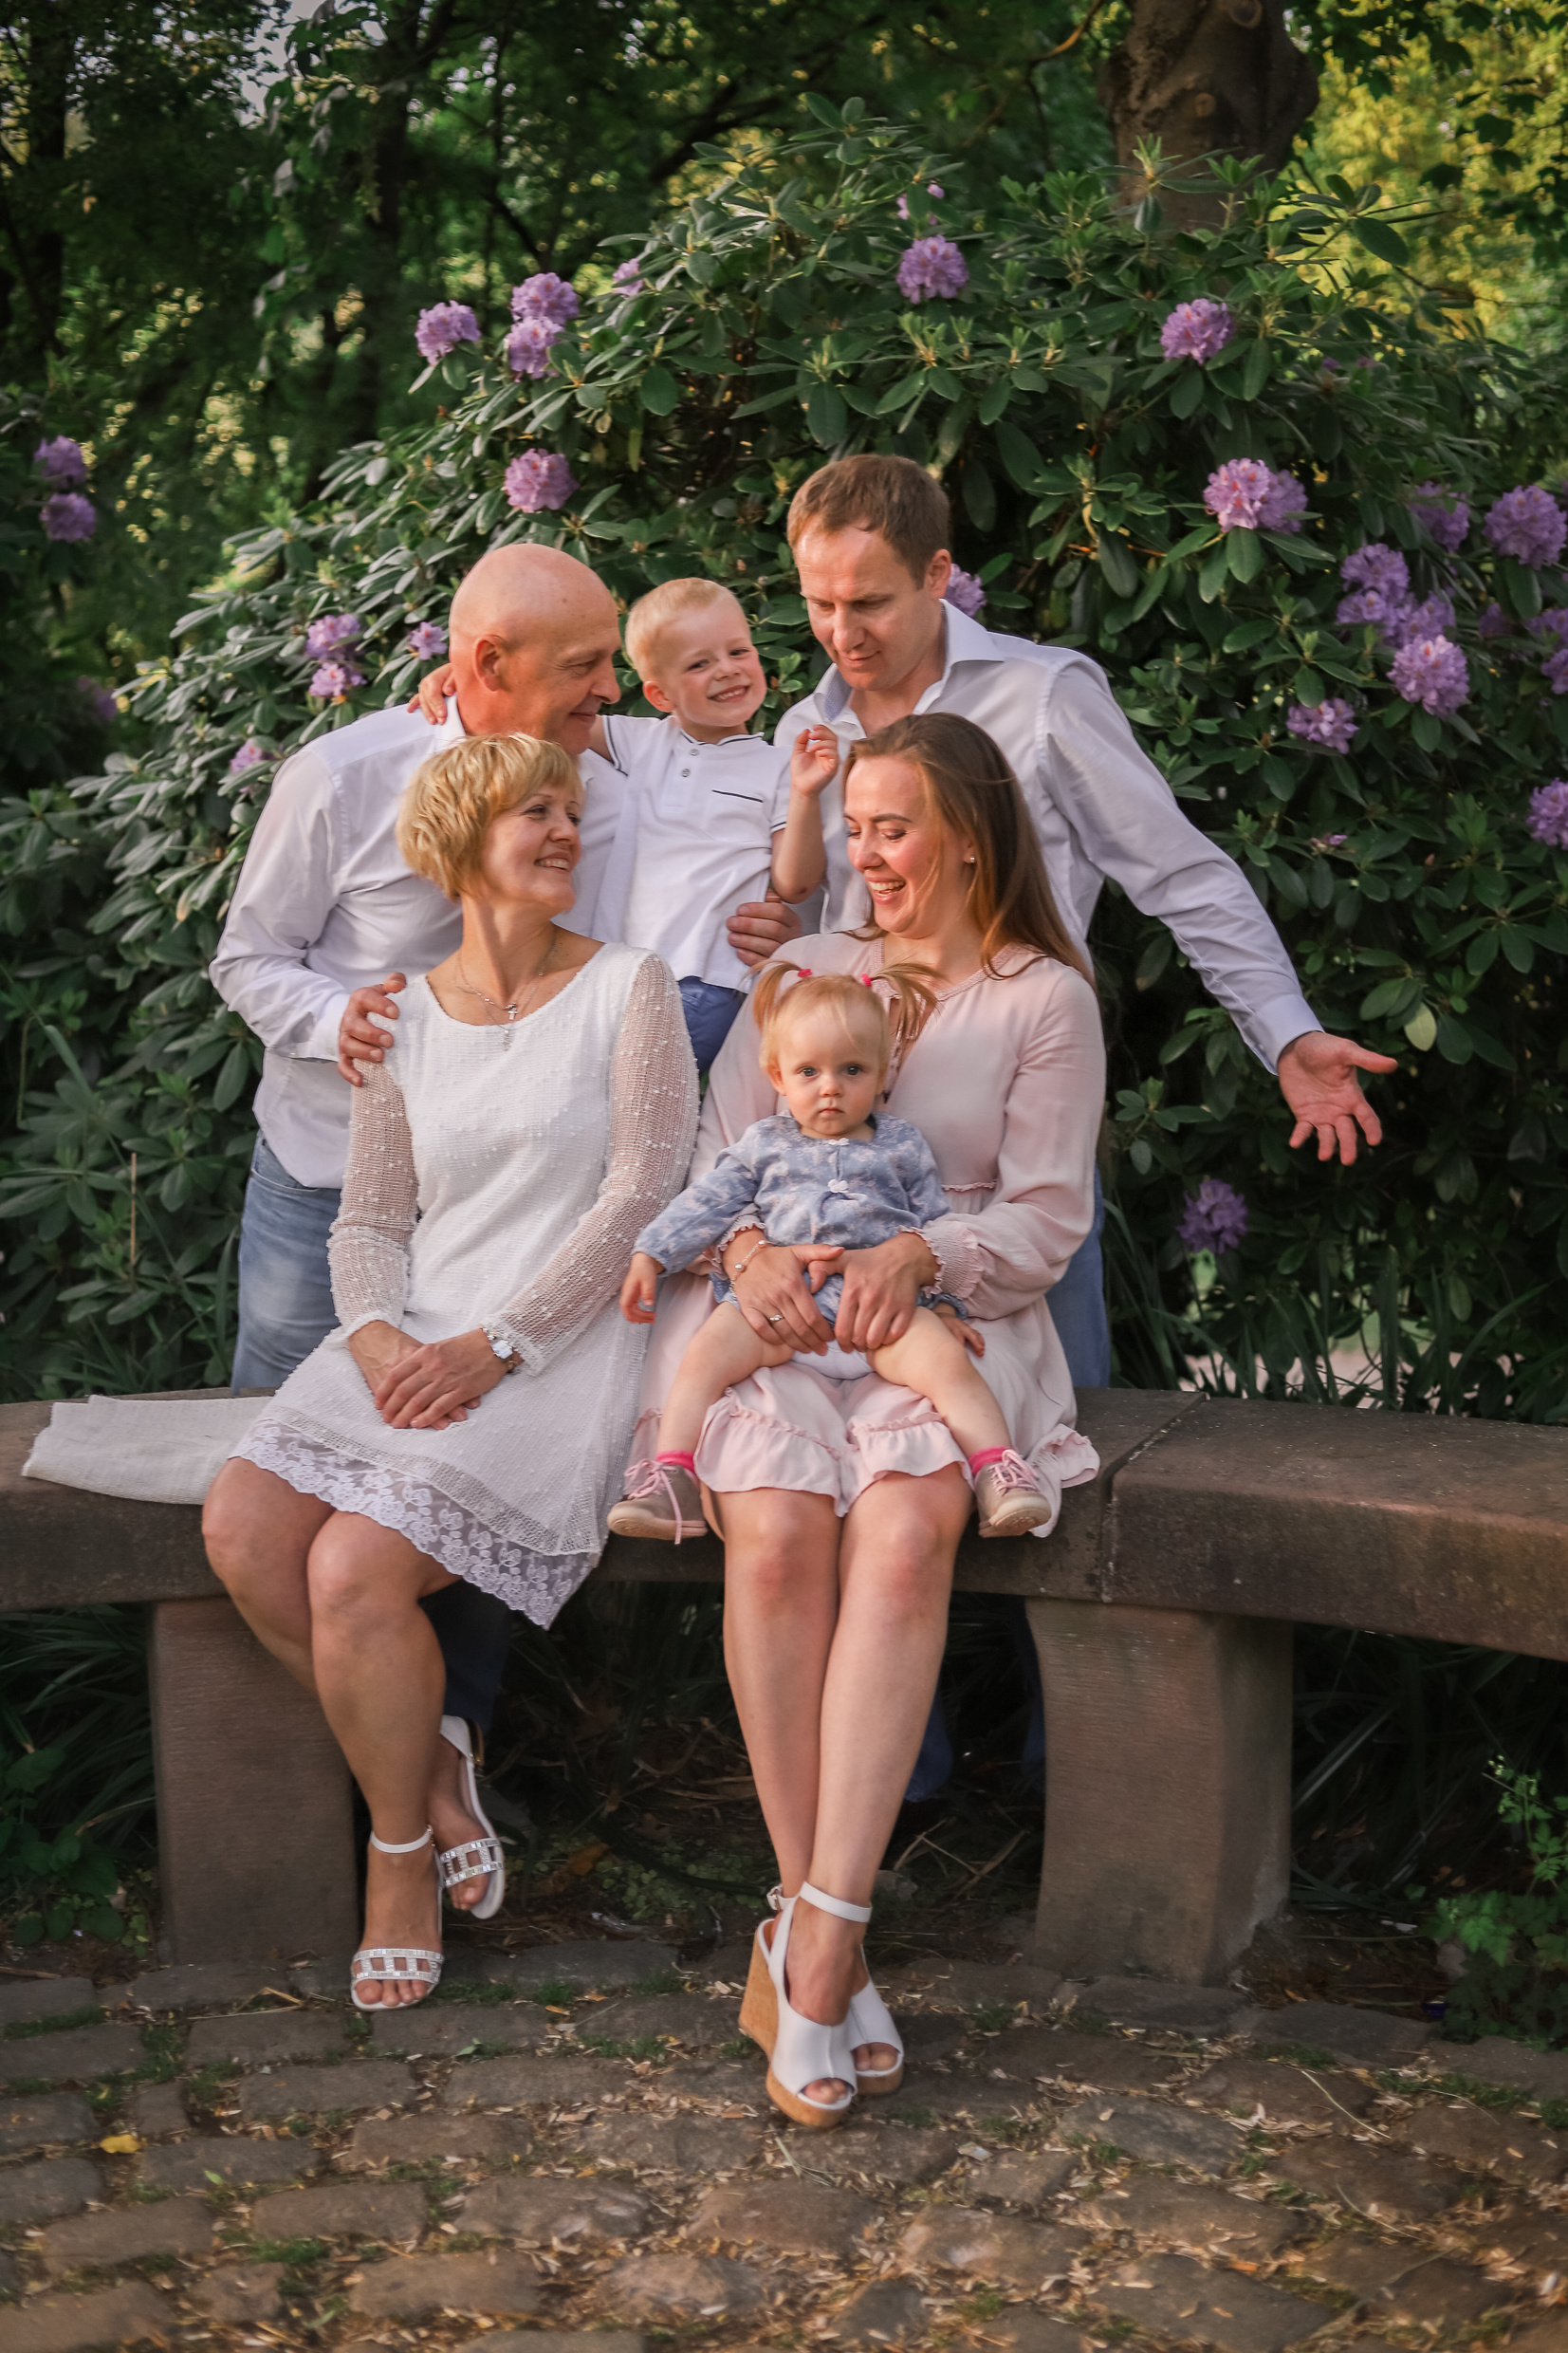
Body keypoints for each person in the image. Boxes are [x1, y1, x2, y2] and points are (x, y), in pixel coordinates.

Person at [776, 453, 1398, 1803]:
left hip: (1017, 1161)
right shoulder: (805, 730)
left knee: (1055, 1483)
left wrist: (1287, 1035)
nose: (844, 633)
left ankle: (1099, 1791)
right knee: (864, 1479)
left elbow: (1180, 873)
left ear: (942, 576)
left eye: (871, 600)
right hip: (850, 1182)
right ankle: (905, 1794)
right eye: (818, 602)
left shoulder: (1040, 700)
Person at [210, 544, 795, 1904]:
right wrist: (335, 1020)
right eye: (584, 670)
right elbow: (248, 956)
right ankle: (400, 1795)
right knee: (270, 1518)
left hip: (527, 1221)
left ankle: (447, 1748)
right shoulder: (344, 778)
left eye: (610, 668)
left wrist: (773, 907)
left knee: (421, 1510)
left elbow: (741, 771)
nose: (610, 697)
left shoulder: (609, 766)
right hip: (332, 1185)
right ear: (482, 671)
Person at [631, 712, 1105, 2125]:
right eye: (860, 828)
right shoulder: (807, 971)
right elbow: (726, 1160)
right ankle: (810, 1908)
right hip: (783, 1320)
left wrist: (923, 1258)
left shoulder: (1041, 1000)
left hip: (945, 1329)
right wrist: (751, 1261)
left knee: (901, 1539)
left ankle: (821, 1947)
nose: (866, 853)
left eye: (893, 828)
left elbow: (1045, 1218)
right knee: (771, 1535)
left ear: (967, 836)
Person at [202, 733, 697, 2008]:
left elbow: (645, 1192)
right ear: (460, 838)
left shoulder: (629, 988)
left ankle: (400, 1855)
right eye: (534, 810)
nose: (563, 832)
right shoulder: (402, 1015)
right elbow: (368, 1222)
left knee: (355, 1570)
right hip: (412, 1327)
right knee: (248, 1528)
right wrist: (376, 1339)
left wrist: (499, 1346)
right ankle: (431, 1775)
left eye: (569, 812)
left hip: (562, 1343)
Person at [611, 964, 1055, 1544]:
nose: (830, 1087)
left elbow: (932, 1227)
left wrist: (946, 1307)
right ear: (777, 1075)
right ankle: (671, 1477)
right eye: (808, 1071)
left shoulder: (901, 1144)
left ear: (881, 1076)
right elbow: (706, 1203)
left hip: (878, 1313)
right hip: (782, 1312)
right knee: (703, 1357)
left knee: (949, 1367)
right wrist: (651, 1254)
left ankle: (998, 1470)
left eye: (852, 1070)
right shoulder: (763, 1144)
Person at [411, 574, 836, 1073]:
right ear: (659, 695)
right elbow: (529, 707)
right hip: (621, 979)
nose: (727, 671)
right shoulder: (645, 744)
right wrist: (467, 678)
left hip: (706, 981)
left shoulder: (779, 767)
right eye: (699, 663)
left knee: (590, 1084)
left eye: (738, 651)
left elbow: (795, 882)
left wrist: (807, 794)